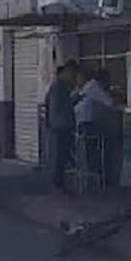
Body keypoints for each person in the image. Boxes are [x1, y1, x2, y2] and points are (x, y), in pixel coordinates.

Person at [45, 61, 78, 193]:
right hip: (61, 125)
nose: (74, 77)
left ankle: (59, 183)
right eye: (73, 73)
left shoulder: (61, 85)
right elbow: (57, 106)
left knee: (63, 155)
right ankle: (58, 184)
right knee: (60, 156)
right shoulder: (60, 85)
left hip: (62, 124)